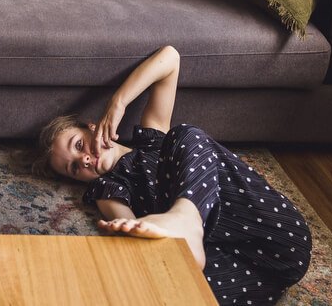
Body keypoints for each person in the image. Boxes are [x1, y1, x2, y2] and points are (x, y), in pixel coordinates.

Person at [34, 45, 312, 305]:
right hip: (262, 273)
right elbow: (129, 227)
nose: (83, 160)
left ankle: (186, 216)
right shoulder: (107, 187)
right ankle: (185, 233)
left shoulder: (153, 138)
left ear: (93, 127)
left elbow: (170, 58)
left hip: (277, 231)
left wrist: (117, 102)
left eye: (79, 145)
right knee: (175, 286)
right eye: (74, 168)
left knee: (184, 135)